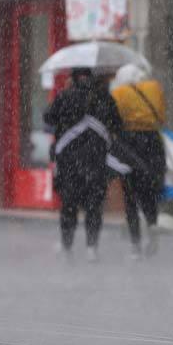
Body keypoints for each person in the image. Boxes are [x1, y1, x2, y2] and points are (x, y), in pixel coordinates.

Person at [43, 67, 123, 262]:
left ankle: (67, 246)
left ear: (73, 77)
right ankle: (91, 248)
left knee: (69, 206)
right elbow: (117, 124)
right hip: (96, 161)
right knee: (94, 206)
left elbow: (48, 118)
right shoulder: (104, 98)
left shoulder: (64, 96)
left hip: (69, 162)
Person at [109, 64, 166, 256]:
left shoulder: (118, 93)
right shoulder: (154, 88)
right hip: (153, 142)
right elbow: (161, 117)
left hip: (130, 143)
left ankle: (136, 245)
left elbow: (114, 120)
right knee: (149, 189)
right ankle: (152, 223)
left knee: (130, 195)